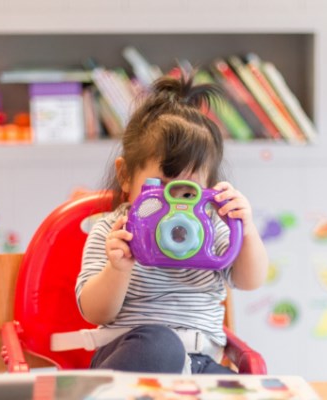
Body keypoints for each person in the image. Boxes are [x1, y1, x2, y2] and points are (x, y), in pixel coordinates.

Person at [75, 71, 268, 374]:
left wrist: (246, 228)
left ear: (208, 189)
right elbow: (94, 311)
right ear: (126, 176)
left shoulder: (211, 228)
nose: (174, 205)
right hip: (135, 356)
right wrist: (118, 268)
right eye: (161, 187)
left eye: (187, 191)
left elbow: (250, 280)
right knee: (161, 345)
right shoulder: (114, 231)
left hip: (201, 362)